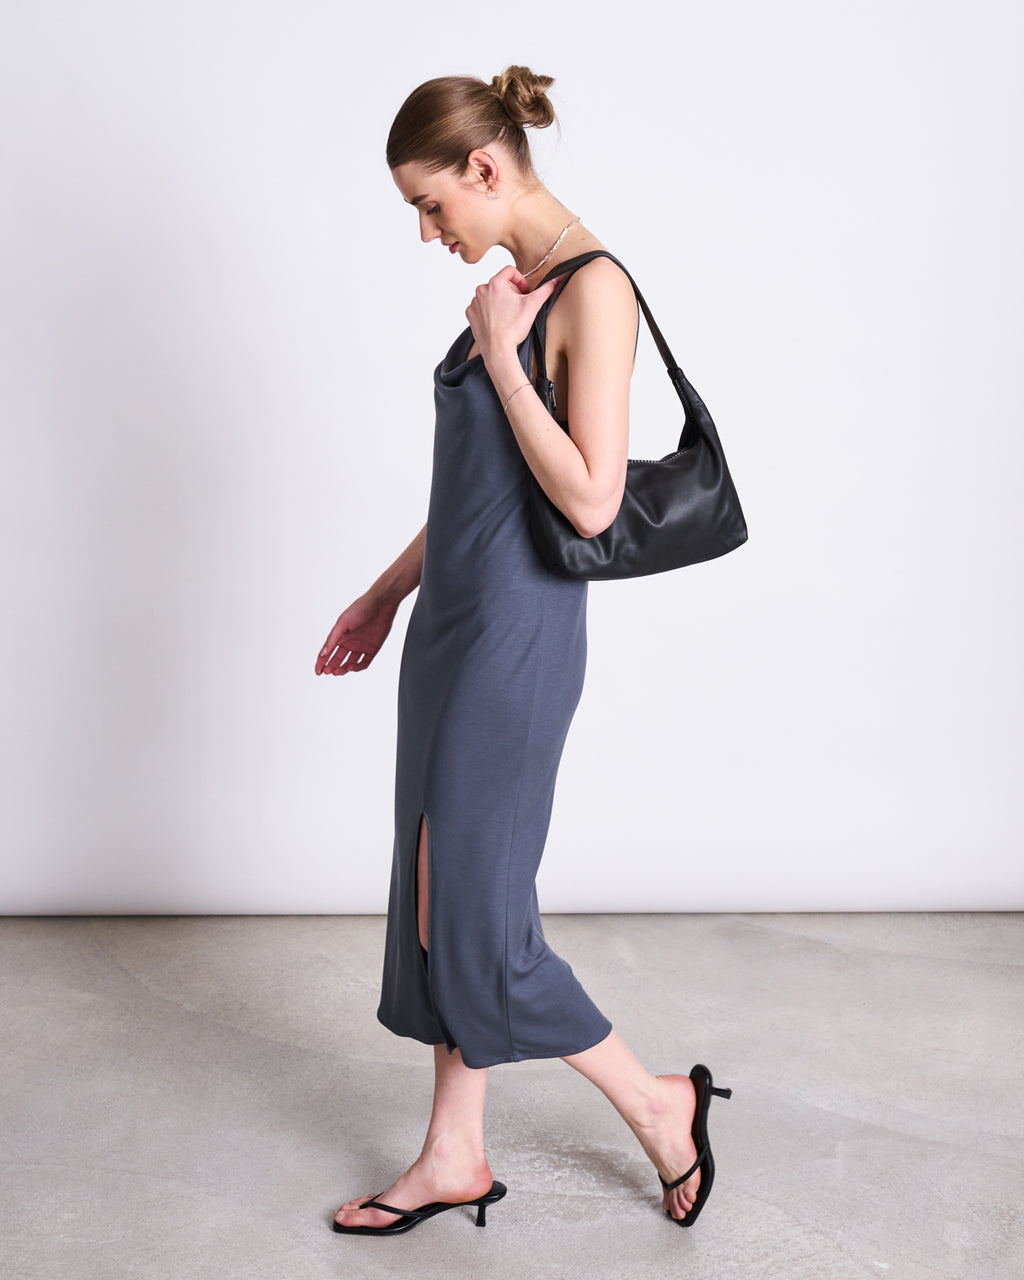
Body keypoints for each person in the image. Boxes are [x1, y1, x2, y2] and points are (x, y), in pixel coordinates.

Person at [315, 66, 730, 1236]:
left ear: (484, 170)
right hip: (449, 626)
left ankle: (659, 1103)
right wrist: (382, 593)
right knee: (440, 902)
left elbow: (593, 502)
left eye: (432, 205)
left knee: (481, 920)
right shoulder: (519, 286)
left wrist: (502, 351)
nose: (426, 230)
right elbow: (475, 490)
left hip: (518, 633)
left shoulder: (590, 291)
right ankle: (453, 1151)